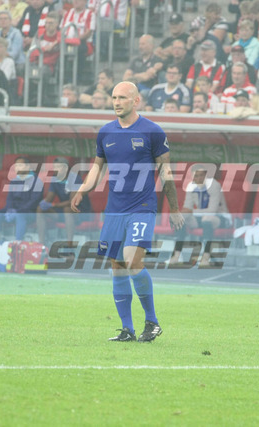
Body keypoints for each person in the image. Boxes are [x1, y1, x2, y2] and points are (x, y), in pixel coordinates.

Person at [70, 81, 185, 342]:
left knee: (133, 261)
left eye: (122, 97)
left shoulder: (153, 131)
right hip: (115, 210)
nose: (117, 102)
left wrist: (174, 208)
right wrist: (83, 189)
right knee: (118, 266)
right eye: (114, 97)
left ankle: (152, 322)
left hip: (142, 207)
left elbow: (166, 172)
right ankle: (127, 330)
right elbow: (97, 168)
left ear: (136, 101)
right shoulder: (106, 132)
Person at [168, 165, 230, 267]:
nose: (199, 178)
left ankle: (206, 257)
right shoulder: (191, 186)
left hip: (220, 217)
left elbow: (212, 210)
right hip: (200, 216)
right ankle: (177, 255)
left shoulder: (214, 185)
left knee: (207, 219)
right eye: (196, 176)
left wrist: (193, 212)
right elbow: (187, 207)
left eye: (201, 175)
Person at [37, 156, 91, 245]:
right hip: (63, 212)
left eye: (58, 167)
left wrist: (54, 205)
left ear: (65, 168)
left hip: (80, 212)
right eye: (54, 167)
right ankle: (41, 244)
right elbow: (49, 198)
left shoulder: (75, 178)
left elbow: (72, 202)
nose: (55, 169)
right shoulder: (54, 179)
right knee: (40, 209)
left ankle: (69, 244)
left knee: (67, 209)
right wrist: (44, 203)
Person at [0, 156, 42, 242]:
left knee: (19, 215)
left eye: (20, 165)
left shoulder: (37, 181)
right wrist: (9, 209)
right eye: (16, 166)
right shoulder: (14, 181)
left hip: (29, 212)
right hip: (14, 211)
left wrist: (18, 211)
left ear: (28, 167)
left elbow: (34, 201)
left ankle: (18, 243)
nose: (17, 168)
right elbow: (9, 198)